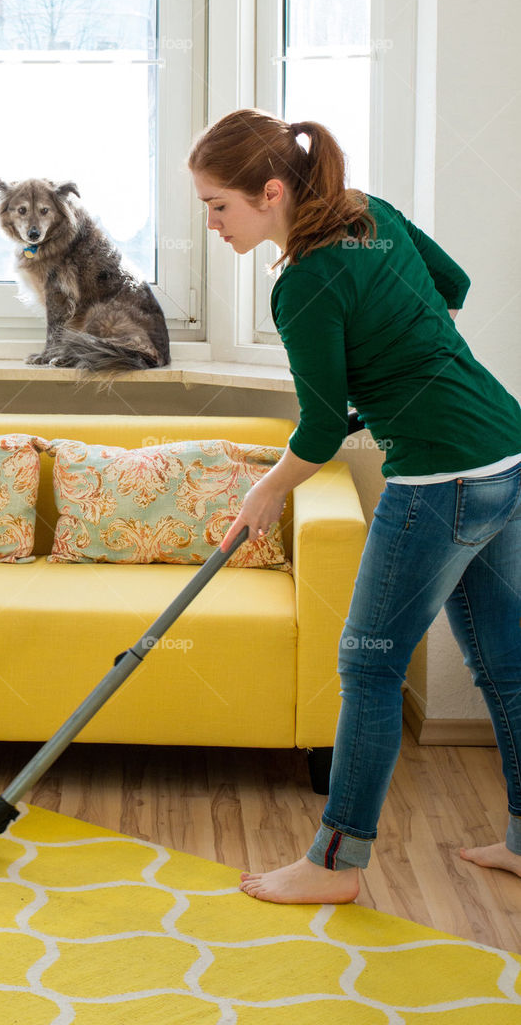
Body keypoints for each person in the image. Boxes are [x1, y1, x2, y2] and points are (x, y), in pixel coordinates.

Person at [188, 107, 521, 905]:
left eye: (218, 207)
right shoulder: (370, 214)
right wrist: (395, 369)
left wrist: (265, 491)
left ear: (269, 193)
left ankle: (334, 863)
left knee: (367, 667)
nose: (211, 226)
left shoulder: (302, 283)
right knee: (505, 664)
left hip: (436, 479)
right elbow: (452, 289)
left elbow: (315, 429)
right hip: (504, 450)